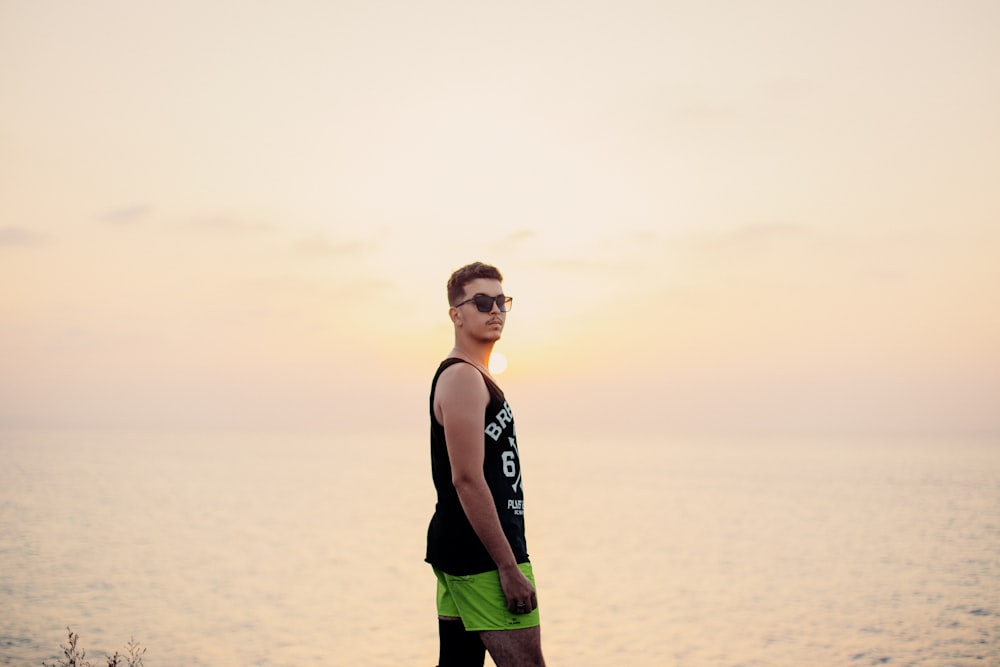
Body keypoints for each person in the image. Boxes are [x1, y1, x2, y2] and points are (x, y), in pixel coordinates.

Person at [426, 262, 546, 667]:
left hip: (467, 550)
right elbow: (467, 480)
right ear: (456, 314)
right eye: (481, 301)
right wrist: (508, 567)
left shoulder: (477, 376)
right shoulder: (462, 378)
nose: (495, 310)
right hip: (483, 558)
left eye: (501, 301)